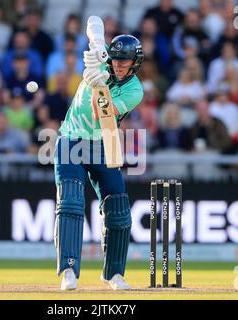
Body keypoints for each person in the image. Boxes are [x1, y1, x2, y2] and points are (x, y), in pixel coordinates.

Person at [54, 29, 144, 291]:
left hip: (105, 143)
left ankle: (113, 274)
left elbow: (102, 113)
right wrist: (96, 46)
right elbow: (93, 21)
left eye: (123, 61)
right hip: (71, 139)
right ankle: (68, 270)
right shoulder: (101, 59)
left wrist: (100, 85)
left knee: (118, 209)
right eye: (114, 59)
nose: (117, 64)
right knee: (70, 201)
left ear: (134, 63)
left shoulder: (135, 89)